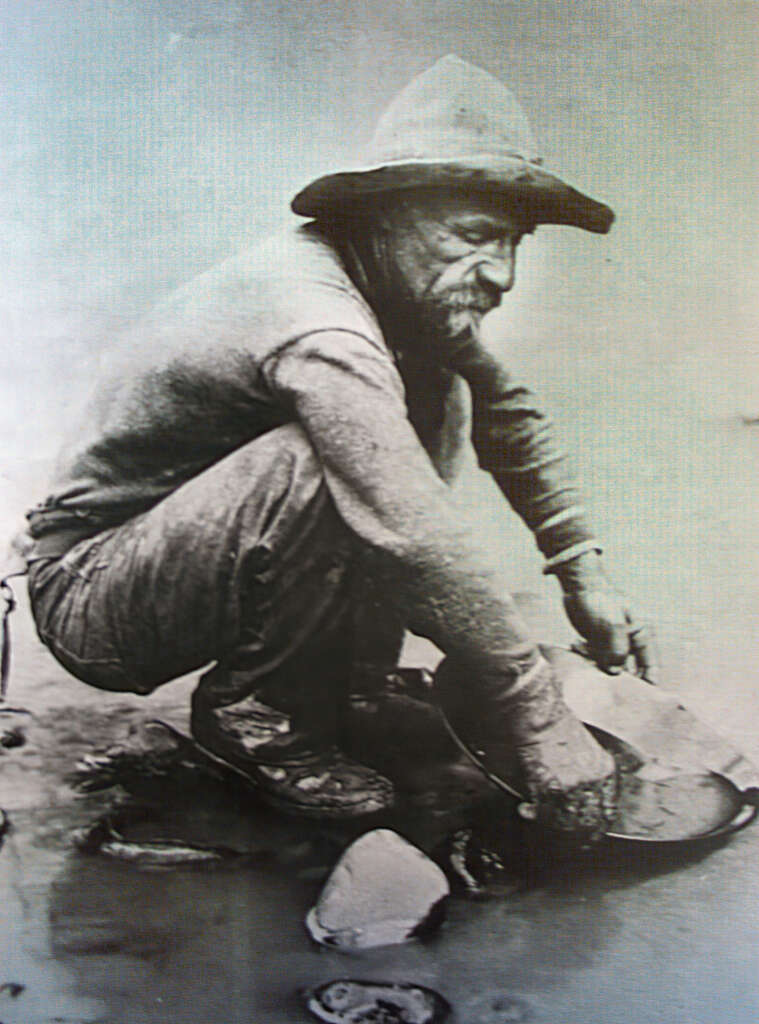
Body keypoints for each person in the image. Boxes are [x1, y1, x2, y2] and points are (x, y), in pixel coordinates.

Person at [21, 56, 656, 834]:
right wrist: (535, 710)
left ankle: (347, 689)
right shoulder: (315, 319)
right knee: (332, 460)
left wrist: (579, 565)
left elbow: (508, 410)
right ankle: (259, 719)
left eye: (514, 243)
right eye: (476, 237)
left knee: (440, 392)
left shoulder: (391, 291)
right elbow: (412, 528)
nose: (503, 276)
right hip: (93, 594)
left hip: (183, 557)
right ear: (386, 218)